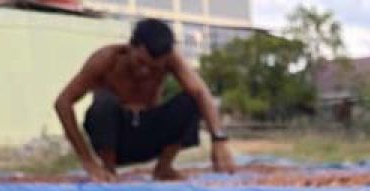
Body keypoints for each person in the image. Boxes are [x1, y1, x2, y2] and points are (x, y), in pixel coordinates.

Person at [54, 18, 235, 181]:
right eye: (140, 62)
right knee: (104, 103)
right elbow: (63, 103)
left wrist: (219, 139)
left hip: (149, 136)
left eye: (154, 68)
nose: (144, 72)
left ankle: (163, 168)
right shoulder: (106, 59)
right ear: (130, 47)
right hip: (115, 140)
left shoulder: (171, 59)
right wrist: (87, 160)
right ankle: (107, 170)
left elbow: (200, 92)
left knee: (191, 100)